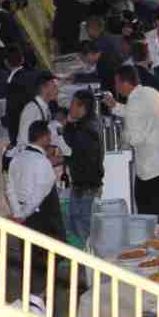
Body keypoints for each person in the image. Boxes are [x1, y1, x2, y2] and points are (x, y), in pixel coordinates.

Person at [107, 66, 159, 225]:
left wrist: (123, 135)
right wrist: (115, 106)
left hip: (153, 163)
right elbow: (137, 112)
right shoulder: (150, 92)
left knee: (146, 202)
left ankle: (152, 239)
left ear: (124, 83)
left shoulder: (135, 102)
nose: (116, 87)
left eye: (117, 83)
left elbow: (135, 139)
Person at [5, 120, 66, 281]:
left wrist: (17, 212)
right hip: (42, 218)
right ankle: (43, 297)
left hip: (22, 214)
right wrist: (24, 214)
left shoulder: (16, 159)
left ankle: (29, 297)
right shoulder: (42, 162)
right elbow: (38, 195)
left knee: (28, 262)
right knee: (46, 264)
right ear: (45, 137)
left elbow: (9, 188)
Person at [62, 90, 103, 244]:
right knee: (75, 223)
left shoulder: (86, 129)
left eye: (72, 104)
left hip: (86, 187)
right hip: (84, 185)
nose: (70, 107)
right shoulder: (89, 123)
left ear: (82, 107)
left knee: (84, 230)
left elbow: (72, 142)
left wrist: (64, 158)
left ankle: (91, 264)